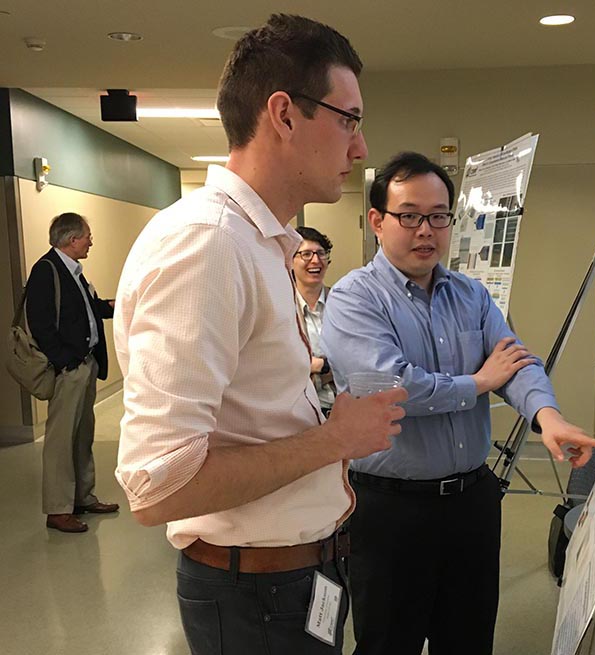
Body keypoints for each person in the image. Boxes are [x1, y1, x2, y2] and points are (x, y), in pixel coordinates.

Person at [113, 14, 407, 655]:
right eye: (348, 120)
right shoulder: (207, 244)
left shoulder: (261, 241)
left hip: (292, 580)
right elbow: (156, 484)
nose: (360, 149)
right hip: (257, 598)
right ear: (284, 114)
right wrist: (335, 439)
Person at [321, 152, 595, 655]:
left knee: (469, 638)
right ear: (377, 221)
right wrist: (477, 382)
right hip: (390, 509)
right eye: (409, 215)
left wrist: (548, 417)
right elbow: (393, 387)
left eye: (438, 216)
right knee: (391, 640)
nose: (425, 230)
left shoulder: (471, 295)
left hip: (472, 504)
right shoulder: (354, 299)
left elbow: (515, 362)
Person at [26, 212, 118, 534]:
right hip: (70, 369)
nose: (91, 241)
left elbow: (93, 309)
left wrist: (126, 303)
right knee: (61, 440)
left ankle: (83, 497)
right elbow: (40, 325)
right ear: (71, 239)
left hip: (86, 365)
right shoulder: (45, 271)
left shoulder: (76, 274)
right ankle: (57, 509)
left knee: (82, 436)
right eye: (87, 236)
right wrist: (65, 361)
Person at [293, 226, 336, 417]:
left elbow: (355, 357)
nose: (316, 260)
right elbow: (278, 363)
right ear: (290, 261)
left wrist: (314, 367)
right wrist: (324, 366)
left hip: (342, 407)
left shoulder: (343, 303)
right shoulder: (280, 306)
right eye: (306, 254)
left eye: (321, 253)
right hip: (299, 412)